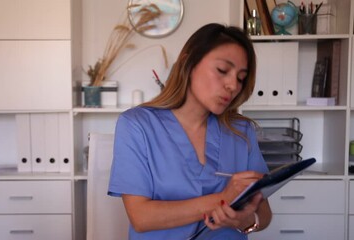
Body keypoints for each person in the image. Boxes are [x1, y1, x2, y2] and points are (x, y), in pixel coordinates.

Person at [108, 23, 272, 239]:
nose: (233, 85)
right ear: (188, 62)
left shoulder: (242, 131)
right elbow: (141, 218)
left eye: (241, 78)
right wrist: (222, 199)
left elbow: (265, 214)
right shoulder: (137, 125)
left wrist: (245, 221)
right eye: (223, 70)